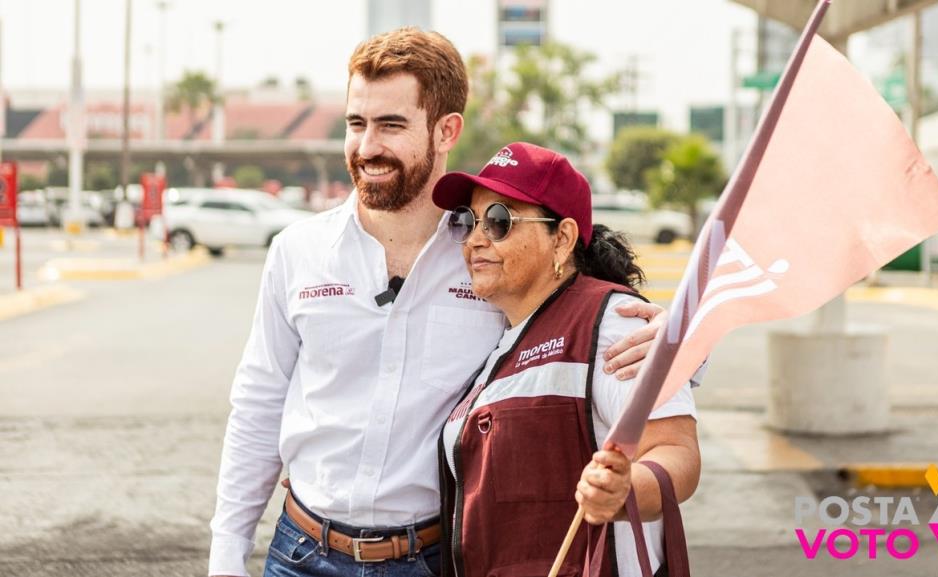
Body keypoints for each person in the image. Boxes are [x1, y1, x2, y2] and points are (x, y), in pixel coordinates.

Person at [208, 28, 666, 577]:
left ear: (446, 130)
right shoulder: (295, 252)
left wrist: (675, 343)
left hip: (433, 559)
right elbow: (258, 408)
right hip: (299, 553)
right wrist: (227, 556)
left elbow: (590, 315)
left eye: (392, 125)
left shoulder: (488, 254)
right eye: (357, 124)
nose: (367, 146)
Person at [433, 142, 702, 577]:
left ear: (562, 239)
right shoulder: (504, 337)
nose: (476, 240)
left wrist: (625, 491)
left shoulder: (613, 321)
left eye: (499, 222)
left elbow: (676, 452)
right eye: (468, 221)